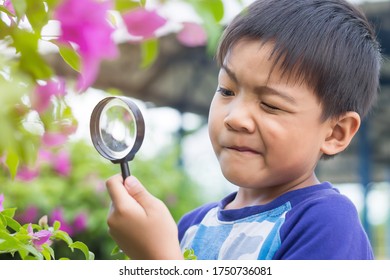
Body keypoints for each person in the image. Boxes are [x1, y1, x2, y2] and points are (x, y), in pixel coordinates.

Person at [105, 0, 381, 260]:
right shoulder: (192, 226)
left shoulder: (326, 222)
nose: (235, 118)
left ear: (335, 133)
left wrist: (160, 260)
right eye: (226, 90)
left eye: (271, 105)